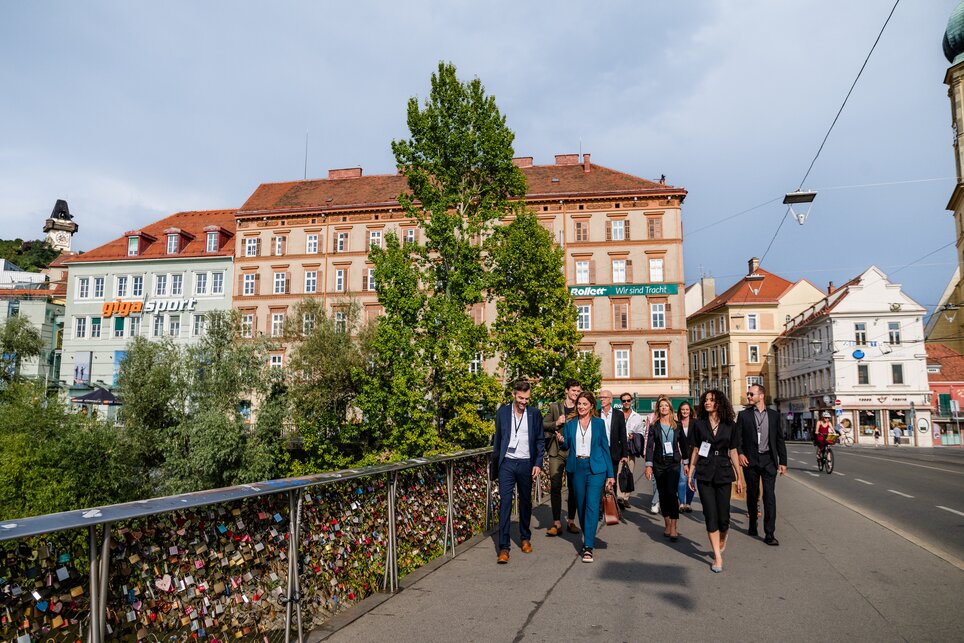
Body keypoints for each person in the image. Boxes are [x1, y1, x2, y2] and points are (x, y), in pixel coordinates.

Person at [687, 389, 744, 573]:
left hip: (724, 472)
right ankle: (717, 558)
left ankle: (722, 535)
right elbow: (696, 449)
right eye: (706, 400)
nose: (707, 403)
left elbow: (734, 451)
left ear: (719, 403)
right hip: (704, 472)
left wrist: (740, 477)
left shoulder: (730, 425)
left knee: (724, 517)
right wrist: (690, 473)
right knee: (710, 515)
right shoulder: (699, 424)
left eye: (711, 400)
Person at [556, 391, 615, 563]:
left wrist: (610, 474)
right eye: (579, 404)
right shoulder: (570, 424)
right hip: (577, 468)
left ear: (591, 405)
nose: (581, 407)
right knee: (581, 506)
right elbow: (567, 444)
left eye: (584, 404)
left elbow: (605, 449)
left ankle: (588, 546)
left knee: (591, 505)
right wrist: (561, 440)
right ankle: (587, 532)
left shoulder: (599, 424)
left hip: (596, 468)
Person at [493, 381, 545, 564]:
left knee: (525, 503)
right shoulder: (502, 412)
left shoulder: (534, 414)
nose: (524, 402)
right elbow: (498, 439)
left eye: (527, 399)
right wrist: (496, 465)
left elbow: (540, 440)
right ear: (514, 395)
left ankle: (525, 537)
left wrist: (538, 463)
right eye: (521, 398)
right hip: (507, 463)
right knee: (505, 503)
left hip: (526, 463)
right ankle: (504, 547)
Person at [736, 384, 787, 545]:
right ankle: (752, 523)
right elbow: (738, 439)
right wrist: (740, 453)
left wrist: (783, 462)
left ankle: (769, 533)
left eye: (751, 394)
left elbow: (779, 439)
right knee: (752, 495)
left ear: (761, 396)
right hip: (751, 461)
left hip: (769, 461)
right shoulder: (744, 415)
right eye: (748, 394)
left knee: (769, 497)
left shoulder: (773, 415)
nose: (749, 396)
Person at [644, 395, 689, 541]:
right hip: (659, 463)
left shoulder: (677, 425)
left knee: (671, 493)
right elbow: (650, 447)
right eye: (661, 406)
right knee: (663, 494)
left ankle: (674, 526)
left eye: (666, 405)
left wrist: (686, 463)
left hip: (674, 463)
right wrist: (648, 465)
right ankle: (667, 523)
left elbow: (683, 445)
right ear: (658, 408)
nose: (663, 408)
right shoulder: (654, 426)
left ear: (670, 408)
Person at [543, 379, 581, 536]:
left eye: (578, 391)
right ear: (566, 390)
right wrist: (556, 423)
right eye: (573, 391)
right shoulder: (555, 407)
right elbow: (543, 424)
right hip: (556, 452)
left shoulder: (581, 408)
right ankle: (556, 522)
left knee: (573, 487)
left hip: (573, 452)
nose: (576, 394)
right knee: (555, 486)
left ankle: (571, 521)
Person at [599, 390, 629, 507]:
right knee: (600, 479)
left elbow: (623, 434)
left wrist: (625, 454)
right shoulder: (596, 414)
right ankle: (600, 507)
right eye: (600, 397)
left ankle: (613, 506)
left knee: (612, 478)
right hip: (600, 451)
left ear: (610, 400)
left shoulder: (618, 414)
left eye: (604, 397)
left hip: (614, 451)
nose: (601, 399)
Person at [620, 393, 645, 507]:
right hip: (619, 448)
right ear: (621, 402)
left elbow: (642, 432)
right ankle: (619, 497)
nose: (626, 402)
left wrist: (634, 436)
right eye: (624, 401)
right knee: (619, 473)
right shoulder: (617, 415)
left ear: (631, 401)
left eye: (628, 400)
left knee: (629, 472)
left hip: (630, 448)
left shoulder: (637, 417)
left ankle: (626, 497)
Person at [676, 400, 696, 512]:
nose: (685, 411)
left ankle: (688, 503)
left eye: (687, 409)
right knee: (682, 479)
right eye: (683, 409)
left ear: (690, 411)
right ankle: (681, 503)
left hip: (694, 456)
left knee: (691, 479)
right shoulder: (677, 424)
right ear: (680, 411)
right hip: (681, 456)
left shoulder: (695, 423)